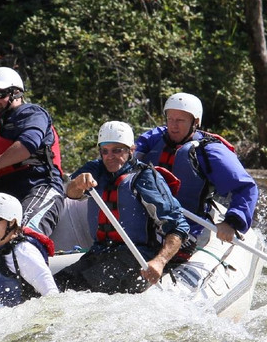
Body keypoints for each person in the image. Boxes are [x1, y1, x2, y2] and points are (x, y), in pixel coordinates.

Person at [55, 121, 191, 295]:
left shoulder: (144, 177)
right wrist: (78, 183)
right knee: (56, 285)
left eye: (117, 150)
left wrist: (159, 261)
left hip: (136, 256)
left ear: (131, 150)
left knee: (81, 289)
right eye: (105, 151)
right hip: (100, 252)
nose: (110, 156)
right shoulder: (95, 169)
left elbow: (179, 227)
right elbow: (71, 193)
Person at [134, 93, 258, 243]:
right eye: (170, 119)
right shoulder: (153, 138)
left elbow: (246, 187)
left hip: (190, 228)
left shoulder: (211, 151)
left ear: (196, 122)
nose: (173, 126)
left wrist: (231, 223)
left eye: (180, 120)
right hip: (147, 224)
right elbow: (123, 158)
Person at [0, 66, 65, 236]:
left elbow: (28, 145)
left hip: (39, 187)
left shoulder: (32, 114)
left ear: (16, 93)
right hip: (7, 198)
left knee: (23, 235)